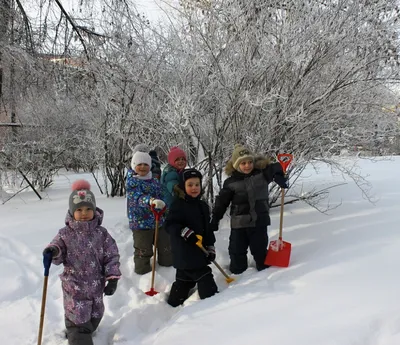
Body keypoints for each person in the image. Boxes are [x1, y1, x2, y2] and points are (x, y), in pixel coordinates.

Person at [42, 180, 121, 345]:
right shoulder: (65, 234)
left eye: (88, 209)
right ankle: (76, 334)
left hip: (96, 286)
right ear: (71, 212)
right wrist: (53, 250)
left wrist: (112, 278)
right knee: (78, 321)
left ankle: (84, 331)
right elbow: (58, 247)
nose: (84, 213)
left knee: (95, 315)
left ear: (94, 210)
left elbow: (111, 255)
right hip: (74, 287)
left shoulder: (102, 234)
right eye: (79, 209)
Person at [210, 144, 288, 274]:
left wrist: (279, 175)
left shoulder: (261, 174)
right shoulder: (231, 183)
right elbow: (221, 202)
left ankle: (265, 273)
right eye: (243, 163)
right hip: (239, 224)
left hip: (259, 221)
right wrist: (215, 218)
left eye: (250, 162)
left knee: (260, 250)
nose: (247, 165)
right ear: (236, 165)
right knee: (236, 250)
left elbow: (276, 167)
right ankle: (237, 274)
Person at [165, 168, 218, 307]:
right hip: (184, 254)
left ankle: (177, 298)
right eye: (190, 185)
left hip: (199, 254)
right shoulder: (178, 205)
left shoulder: (203, 206)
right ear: (183, 186)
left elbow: (208, 230)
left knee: (186, 281)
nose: (194, 188)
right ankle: (211, 302)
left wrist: (211, 247)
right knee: (206, 286)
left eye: (197, 184)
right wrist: (184, 231)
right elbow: (170, 225)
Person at [126, 150, 172, 274]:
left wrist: (165, 207)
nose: (142, 167)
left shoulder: (154, 181)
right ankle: (143, 272)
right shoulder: (132, 182)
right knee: (143, 249)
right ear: (133, 165)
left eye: (146, 164)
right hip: (140, 223)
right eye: (139, 164)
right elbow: (137, 197)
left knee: (165, 245)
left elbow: (162, 195)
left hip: (158, 220)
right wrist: (150, 201)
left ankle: (167, 268)